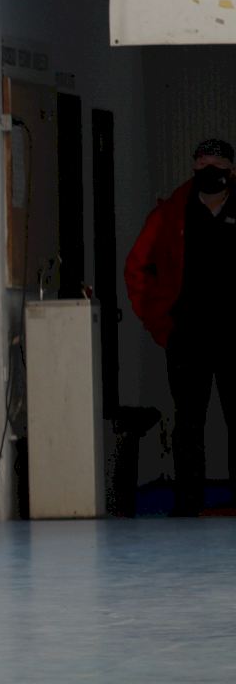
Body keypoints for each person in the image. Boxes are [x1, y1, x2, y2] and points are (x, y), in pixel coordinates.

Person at [125, 138, 236, 516]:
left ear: (231, 170)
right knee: (188, 424)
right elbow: (136, 267)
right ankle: (188, 506)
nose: (210, 169)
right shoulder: (172, 213)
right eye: (202, 162)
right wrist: (158, 322)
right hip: (187, 336)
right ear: (193, 167)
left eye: (217, 163)